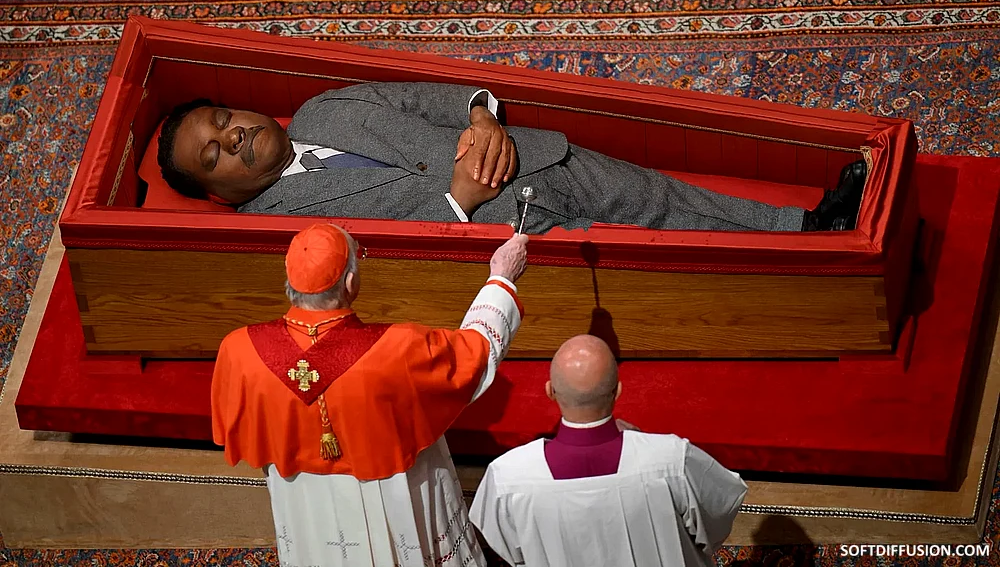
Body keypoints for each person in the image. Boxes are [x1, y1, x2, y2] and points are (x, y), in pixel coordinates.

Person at [211, 222, 529, 566]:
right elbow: (476, 352)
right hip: (393, 494)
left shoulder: (238, 350)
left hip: (302, 499)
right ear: (350, 282)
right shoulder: (398, 348)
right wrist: (501, 278)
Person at [158, 81, 866, 234]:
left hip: (535, 160)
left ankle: (807, 226)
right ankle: (809, 263)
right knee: (665, 249)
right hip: (510, 241)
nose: (233, 136)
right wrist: (457, 202)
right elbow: (374, 268)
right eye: (214, 155)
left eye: (223, 120)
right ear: (216, 194)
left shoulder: (322, 109)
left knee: (660, 196)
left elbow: (436, 98)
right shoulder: (273, 227)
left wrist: (479, 118)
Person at [469, 335, 747, 567]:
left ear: (550, 391)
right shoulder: (672, 459)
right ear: (618, 391)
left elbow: (511, 551)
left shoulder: (507, 477)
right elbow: (719, 514)